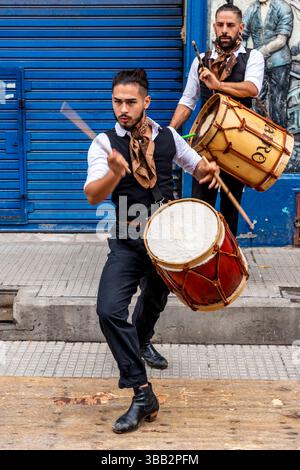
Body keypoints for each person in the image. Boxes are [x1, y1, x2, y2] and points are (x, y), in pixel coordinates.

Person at [84, 68, 219, 433]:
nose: (122, 109)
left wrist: (209, 169)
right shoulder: (103, 143)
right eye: (117, 101)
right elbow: (93, 194)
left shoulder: (169, 137)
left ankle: (141, 343)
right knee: (109, 310)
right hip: (127, 240)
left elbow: (197, 167)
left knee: (154, 302)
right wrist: (114, 173)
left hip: (168, 242)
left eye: (130, 102)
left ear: (146, 102)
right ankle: (141, 390)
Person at [170, 3, 265, 236]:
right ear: (214, 27)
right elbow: (188, 100)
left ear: (240, 28)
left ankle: (228, 264)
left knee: (231, 210)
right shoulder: (200, 61)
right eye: (220, 25)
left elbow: (252, 88)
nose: (224, 30)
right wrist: (170, 131)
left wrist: (219, 85)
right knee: (201, 205)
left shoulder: (253, 57)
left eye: (230, 25)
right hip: (205, 146)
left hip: (238, 145)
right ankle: (201, 262)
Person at [243, 0, 293, 128]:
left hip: (279, 62)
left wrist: (259, 53)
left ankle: (280, 140)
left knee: (278, 103)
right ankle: (257, 135)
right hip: (258, 64)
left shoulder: (283, 7)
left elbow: (281, 40)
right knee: (256, 100)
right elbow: (242, 33)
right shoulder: (252, 8)